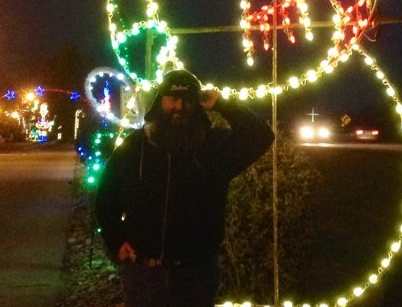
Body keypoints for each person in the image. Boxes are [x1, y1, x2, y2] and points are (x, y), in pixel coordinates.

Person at [95, 69, 274, 307]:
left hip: (196, 275)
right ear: (160, 102)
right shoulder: (136, 146)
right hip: (144, 273)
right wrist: (115, 240)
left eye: (187, 100)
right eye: (172, 99)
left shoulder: (214, 147)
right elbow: (107, 194)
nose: (179, 106)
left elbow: (261, 135)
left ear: (197, 104)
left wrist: (222, 104)